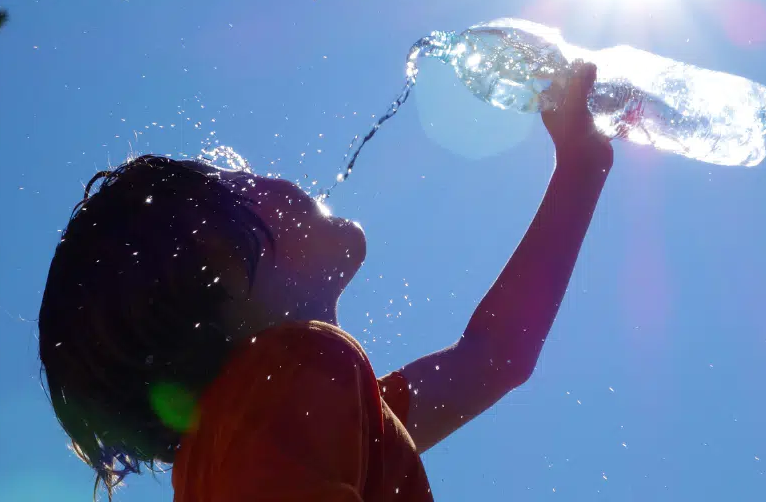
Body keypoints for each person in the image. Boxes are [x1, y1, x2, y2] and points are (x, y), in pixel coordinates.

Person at [38, 62, 613, 501]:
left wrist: (581, 166)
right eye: (237, 180)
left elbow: (495, 355)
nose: (266, 175)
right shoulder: (292, 373)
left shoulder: (292, 419)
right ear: (218, 264)